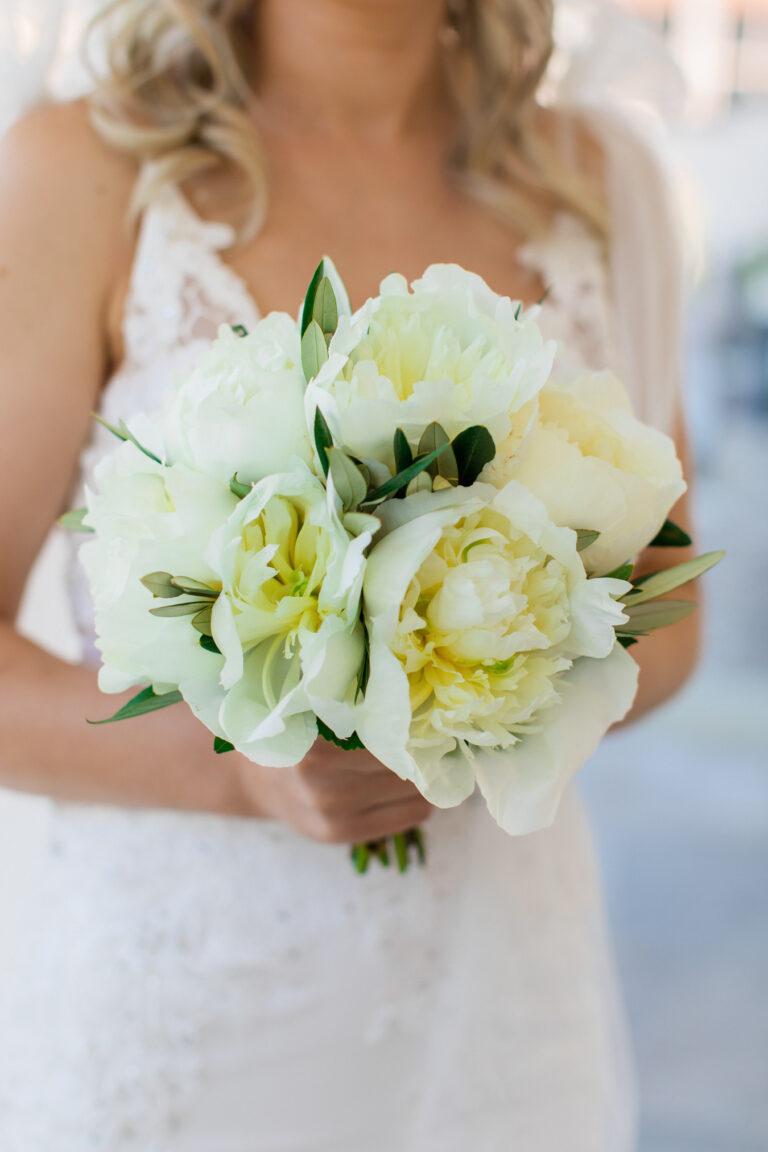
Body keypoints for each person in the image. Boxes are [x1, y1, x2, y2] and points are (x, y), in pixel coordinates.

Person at [0, 1, 700, 1148]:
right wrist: (239, 771)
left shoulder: (598, 184)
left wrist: (475, 702)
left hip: (503, 1019)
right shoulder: (85, 172)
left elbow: (670, 620)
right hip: (192, 1018)